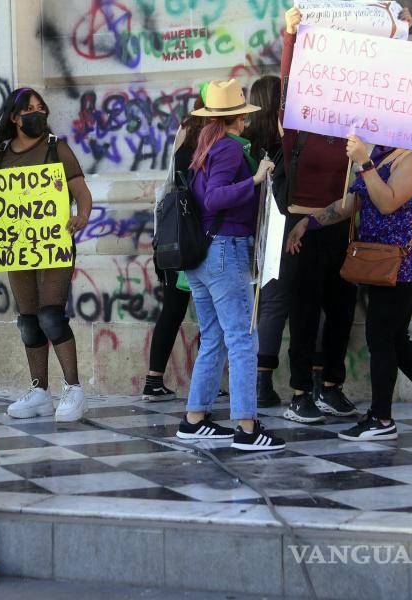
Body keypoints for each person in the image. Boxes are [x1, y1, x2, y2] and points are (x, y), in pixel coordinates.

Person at [278, 7, 412, 423]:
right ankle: (299, 390)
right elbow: (287, 79)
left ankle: (330, 386)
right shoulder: (295, 120)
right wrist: (290, 35)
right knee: (303, 313)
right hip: (301, 227)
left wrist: (400, 31)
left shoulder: (353, 127)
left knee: (340, 310)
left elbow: (386, 80)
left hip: (342, 225)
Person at [286, 135, 412, 440]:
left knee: (380, 336)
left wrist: (364, 162)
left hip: (404, 264)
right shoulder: (387, 155)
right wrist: (310, 222)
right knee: (395, 339)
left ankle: (382, 420)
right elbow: (353, 201)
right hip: (381, 262)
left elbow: (386, 203)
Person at [0, 88, 92, 422]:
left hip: (54, 242)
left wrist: (81, 217)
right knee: (28, 320)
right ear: (14, 117)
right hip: (17, 246)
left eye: (40, 108)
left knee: (50, 316)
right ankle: (39, 392)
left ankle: (73, 389)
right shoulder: (1, 153)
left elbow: (81, 193)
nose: (36, 113)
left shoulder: (58, 148)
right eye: (29, 109)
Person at [175, 78, 285, 452]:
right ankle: (247, 427)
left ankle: (194, 419)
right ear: (239, 116)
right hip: (224, 251)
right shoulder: (228, 149)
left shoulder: (206, 146)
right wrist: (254, 180)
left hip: (202, 257)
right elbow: (215, 198)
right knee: (242, 339)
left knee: (215, 337)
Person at [142, 97, 205, 401]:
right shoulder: (205, 137)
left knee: (174, 309)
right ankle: (203, 383)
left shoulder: (186, 130)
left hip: (174, 238)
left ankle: (154, 380)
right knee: (210, 311)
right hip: (195, 238)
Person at [241, 75, 285, 408]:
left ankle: (259, 380)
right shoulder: (283, 140)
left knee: (261, 303)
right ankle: (262, 381)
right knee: (275, 302)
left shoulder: (246, 138)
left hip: (246, 229)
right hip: (279, 227)